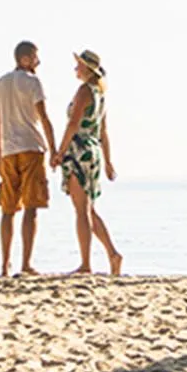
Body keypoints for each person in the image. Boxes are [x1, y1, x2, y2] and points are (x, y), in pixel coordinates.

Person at [0, 40, 56, 277]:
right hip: (31, 147)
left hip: (8, 151)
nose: (38, 62)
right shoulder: (33, 82)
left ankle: (5, 264)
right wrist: (53, 149)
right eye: (35, 57)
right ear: (25, 58)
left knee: (7, 209)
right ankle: (26, 263)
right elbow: (44, 117)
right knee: (31, 207)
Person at [59, 49, 123, 275]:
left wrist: (60, 152)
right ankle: (113, 255)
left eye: (78, 65)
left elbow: (73, 124)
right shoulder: (100, 94)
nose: (75, 68)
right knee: (89, 210)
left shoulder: (85, 91)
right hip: (93, 151)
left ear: (87, 68)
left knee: (81, 211)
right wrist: (107, 161)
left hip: (80, 151)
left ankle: (86, 264)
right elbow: (103, 132)